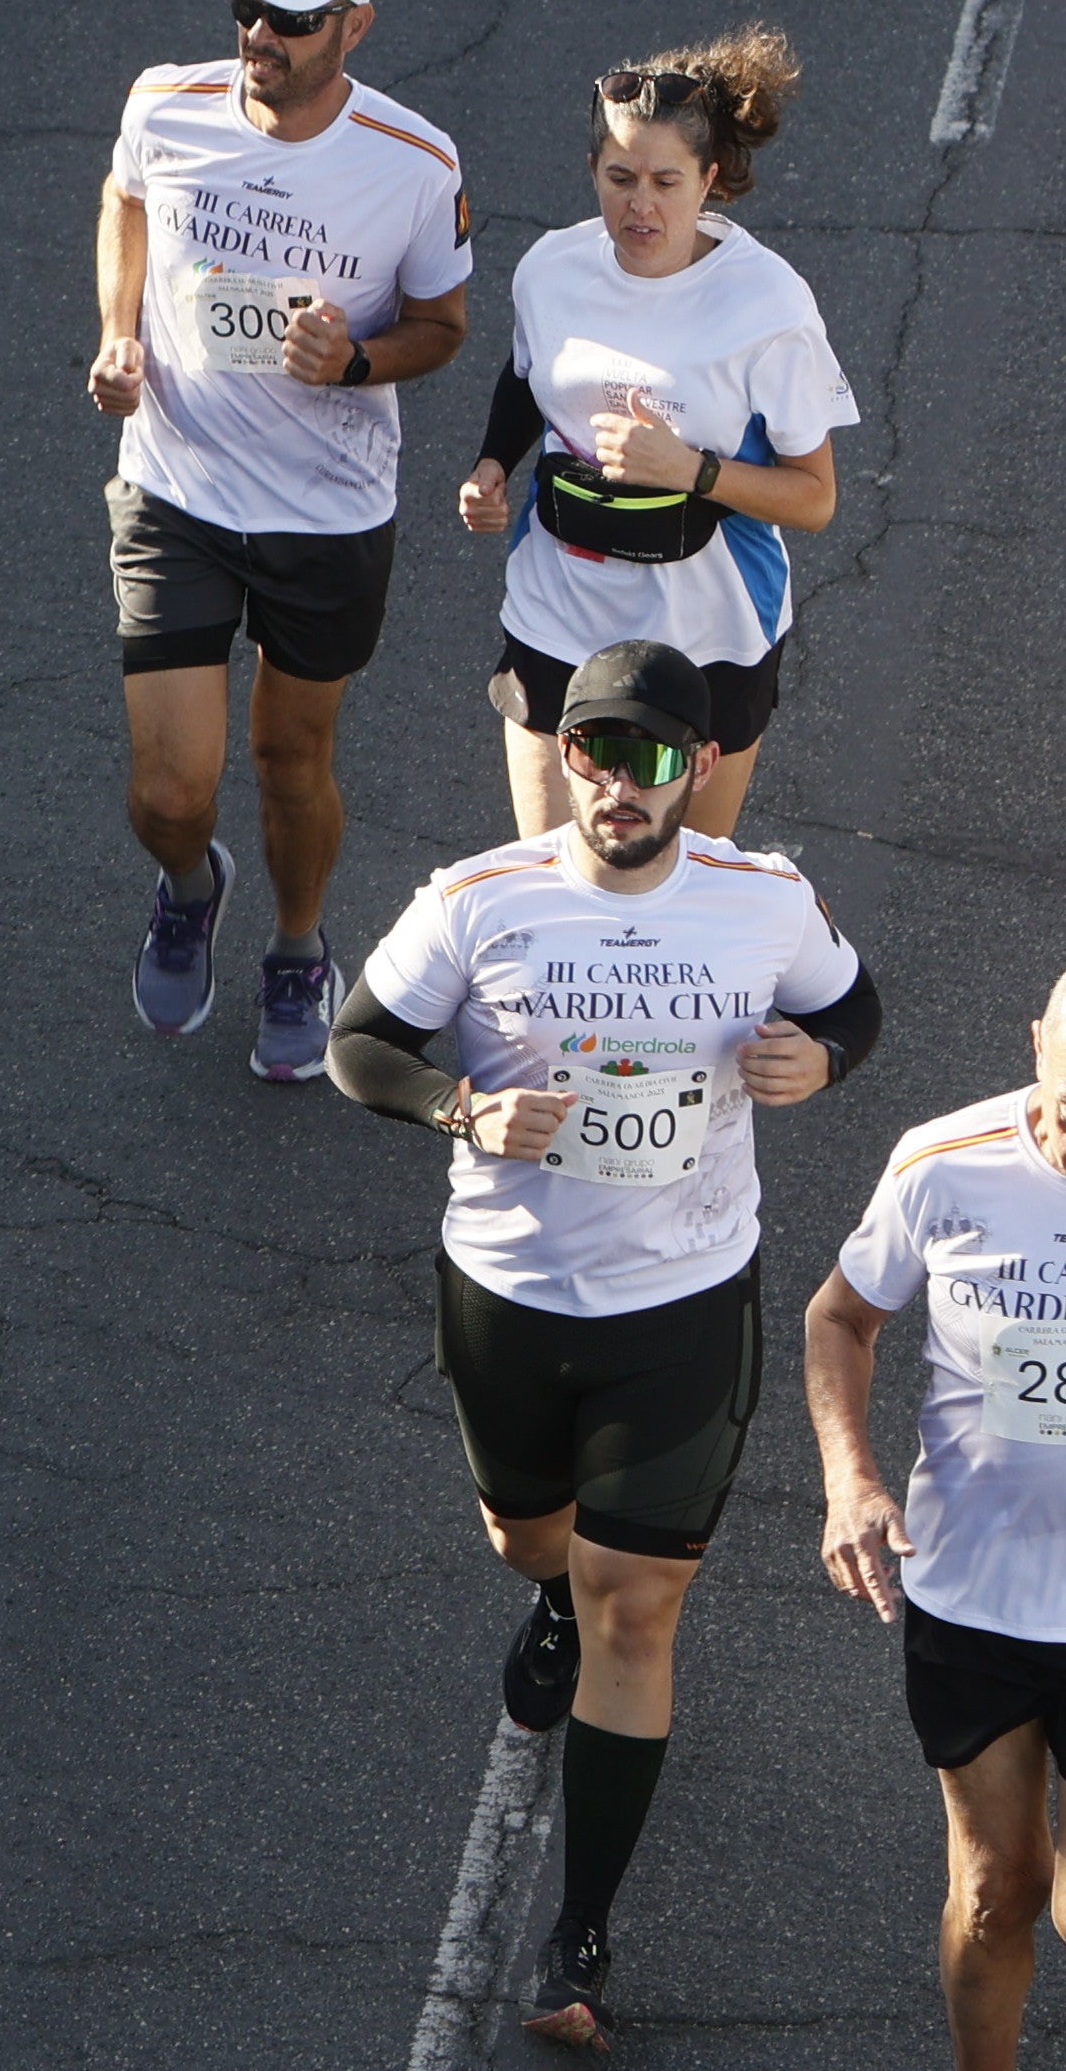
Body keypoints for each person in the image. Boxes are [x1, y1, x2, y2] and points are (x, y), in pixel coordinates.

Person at [325, 639, 880, 2047]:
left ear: (697, 765)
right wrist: (455, 1109)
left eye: (643, 755)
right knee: (533, 1545)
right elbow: (359, 1043)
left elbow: (851, 1005)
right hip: (509, 1297)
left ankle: (581, 1939)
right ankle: (555, 1599)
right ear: (564, 756)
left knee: (641, 1600)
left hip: (684, 1304)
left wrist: (824, 1060)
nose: (613, 782)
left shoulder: (764, 904)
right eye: (589, 749)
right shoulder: (479, 900)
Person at [89, 0, 472, 1079]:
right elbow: (127, 202)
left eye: (294, 19)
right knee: (168, 789)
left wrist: (354, 360)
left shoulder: (416, 165)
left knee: (289, 760)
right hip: (177, 482)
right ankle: (191, 884)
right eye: (246, 10)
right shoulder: (168, 103)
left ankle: (300, 949)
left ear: (354, 27)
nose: (261, 34)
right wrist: (116, 333)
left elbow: (443, 327)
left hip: (327, 509)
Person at [458, 28, 850, 840]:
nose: (641, 206)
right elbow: (528, 378)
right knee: (550, 889)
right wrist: (492, 465)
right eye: (620, 177)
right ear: (593, 173)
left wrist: (691, 471)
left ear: (709, 180)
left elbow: (814, 500)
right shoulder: (550, 270)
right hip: (556, 616)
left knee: (682, 909)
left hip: (708, 640)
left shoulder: (768, 308)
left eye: (667, 181)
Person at [807, 979, 1066, 2071]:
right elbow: (841, 1316)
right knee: (999, 1887)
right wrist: (850, 1479)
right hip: (974, 1595)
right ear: (1040, 1041)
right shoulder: (946, 1163)